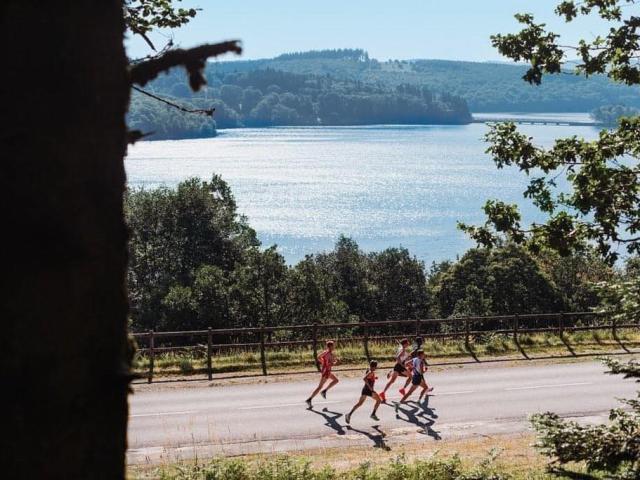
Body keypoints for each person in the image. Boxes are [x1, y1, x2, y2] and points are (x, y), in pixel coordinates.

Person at [305, 340, 339, 408]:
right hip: (326, 371)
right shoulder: (328, 353)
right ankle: (309, 399)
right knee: (320, 387)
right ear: (330, 346)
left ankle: (324, 391)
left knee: (336, 380)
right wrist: (334, 362)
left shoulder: (328, 353)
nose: (334, 347)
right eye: (333, 346)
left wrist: (324, 362)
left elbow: (319, 357)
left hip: (327, 370)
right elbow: (329, 362)